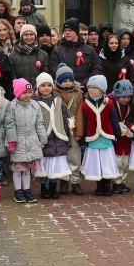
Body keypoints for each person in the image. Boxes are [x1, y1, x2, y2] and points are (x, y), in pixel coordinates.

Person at [80, 75, 121, 196]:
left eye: (95, 87)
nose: (91, 90)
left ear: (102, 90)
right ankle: (99, 185)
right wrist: (83, 137)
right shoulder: (85, 104)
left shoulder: (109, 103)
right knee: (96, 163)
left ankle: (107, 184)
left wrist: (117, 133)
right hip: (92, 137)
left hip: (106, 137)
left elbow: (114, 119)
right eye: (90, 87)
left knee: (106, 162)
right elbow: (84, 122)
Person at [33, 72, 71, 199]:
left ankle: (54, 187)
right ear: (38, 87)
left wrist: (67, 136)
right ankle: (44, 188)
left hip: (58, 137)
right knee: (44, 165)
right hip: (43, 139)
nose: (46, 88)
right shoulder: (34, 103)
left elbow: (64, 118)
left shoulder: (58, 100)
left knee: (55, 165)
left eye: (49, 85)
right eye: (43, 85)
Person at [7, 78, 46, 203]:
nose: (28, 95)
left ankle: (27, 189)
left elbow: (39, 123)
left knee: (28, 167)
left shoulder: (35, 105)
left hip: (32, 139)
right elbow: (9, 125)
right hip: (18, 140)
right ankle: (18, 190)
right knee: (18, 167)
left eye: (29, 92)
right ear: (18, 93)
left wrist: (42, 138)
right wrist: (11, 141)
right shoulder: (12, 106)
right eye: (24, 93)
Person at [54, 64, 85, 195]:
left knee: (75, 155)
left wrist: (79, 131)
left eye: (69, 80)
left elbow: (79, 112)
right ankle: (64, 180)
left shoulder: (78, 93)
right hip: (60, 126)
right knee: (62, 155)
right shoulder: (54, 93)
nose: (67, 83)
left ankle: (75, 180)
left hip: (73, 126)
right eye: (64, 81)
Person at [47, 18, 102, 87]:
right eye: (65, 30)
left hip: (85, 89)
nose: (67, 32)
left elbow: (97, 69)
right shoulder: (57, 51)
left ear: (76, 32)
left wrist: (84, 83)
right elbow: (53, 70)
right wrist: (68, 83)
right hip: (64, 91)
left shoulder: (90, 50)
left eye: (70, 30)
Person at [110, 79, 134, 194]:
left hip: (126, 138)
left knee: (125, 162)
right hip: (117, 138)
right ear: (117, 96)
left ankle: (123, 180)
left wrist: (130, 128)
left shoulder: (130, 106)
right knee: (117, 161)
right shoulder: (111, 104)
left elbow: (131, 119)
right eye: (123, 97)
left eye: (128, 97)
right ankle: (116, 182)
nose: (126, 99)